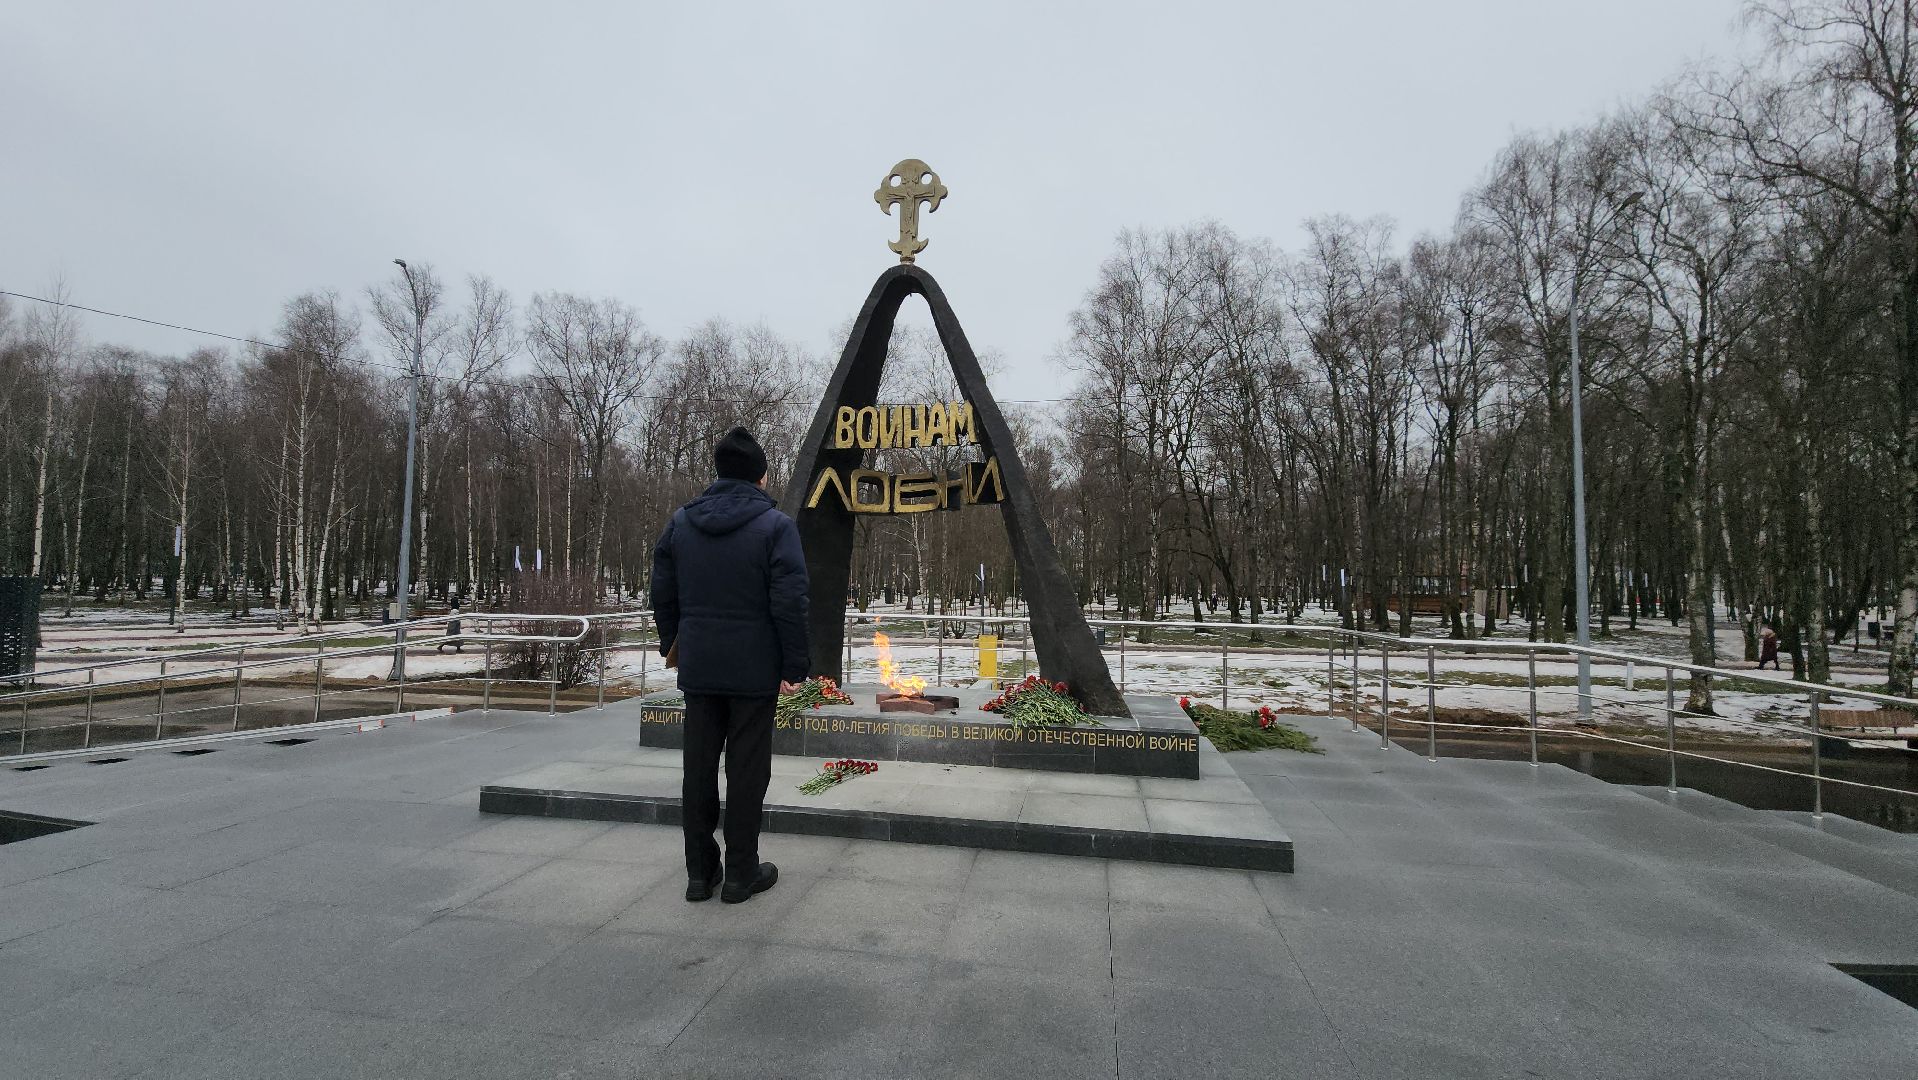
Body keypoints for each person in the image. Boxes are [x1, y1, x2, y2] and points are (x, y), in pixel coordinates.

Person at [650, 427, 809, 904]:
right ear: (761, 476)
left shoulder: (682, 522)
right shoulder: (776, 526)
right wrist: (795, 666)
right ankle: (740, 874)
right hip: (754, 671)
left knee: (697, 769)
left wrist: (673, 644)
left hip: (700, 667)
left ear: (718, 473)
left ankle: (700, 874)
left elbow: (663, 591)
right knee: (747, 772)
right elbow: (790, 602)